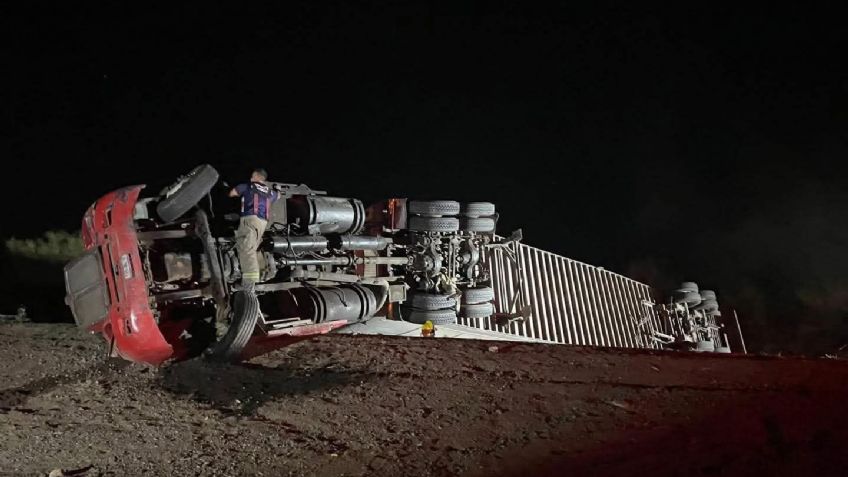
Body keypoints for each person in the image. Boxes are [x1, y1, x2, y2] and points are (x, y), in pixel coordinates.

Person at [229, 168, 279, 291]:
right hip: (262, 223)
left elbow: (232, 193)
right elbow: (278, 195)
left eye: (252, 176)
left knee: (246, 249)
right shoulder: (270, 192)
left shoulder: (247, 186)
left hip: (250, 219)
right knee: (254, 248)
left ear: (257, 177)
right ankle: (259, 275)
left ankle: (249, 283)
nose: (251, 178)